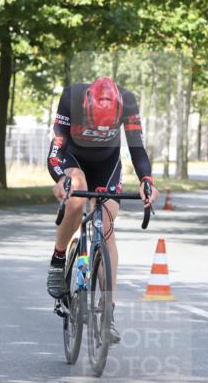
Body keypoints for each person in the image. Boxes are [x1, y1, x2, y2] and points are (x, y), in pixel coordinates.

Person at [46, 77, 158, 344]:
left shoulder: (127, 101)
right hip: (73, 158)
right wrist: (61, 178)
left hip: (107, 164)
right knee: (76, 195)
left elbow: (137, 148)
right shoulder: (72, 97)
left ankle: (108, 311)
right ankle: (59, 259)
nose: (98, 129)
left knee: (107, 226)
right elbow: (56, 148)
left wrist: (146, 180)